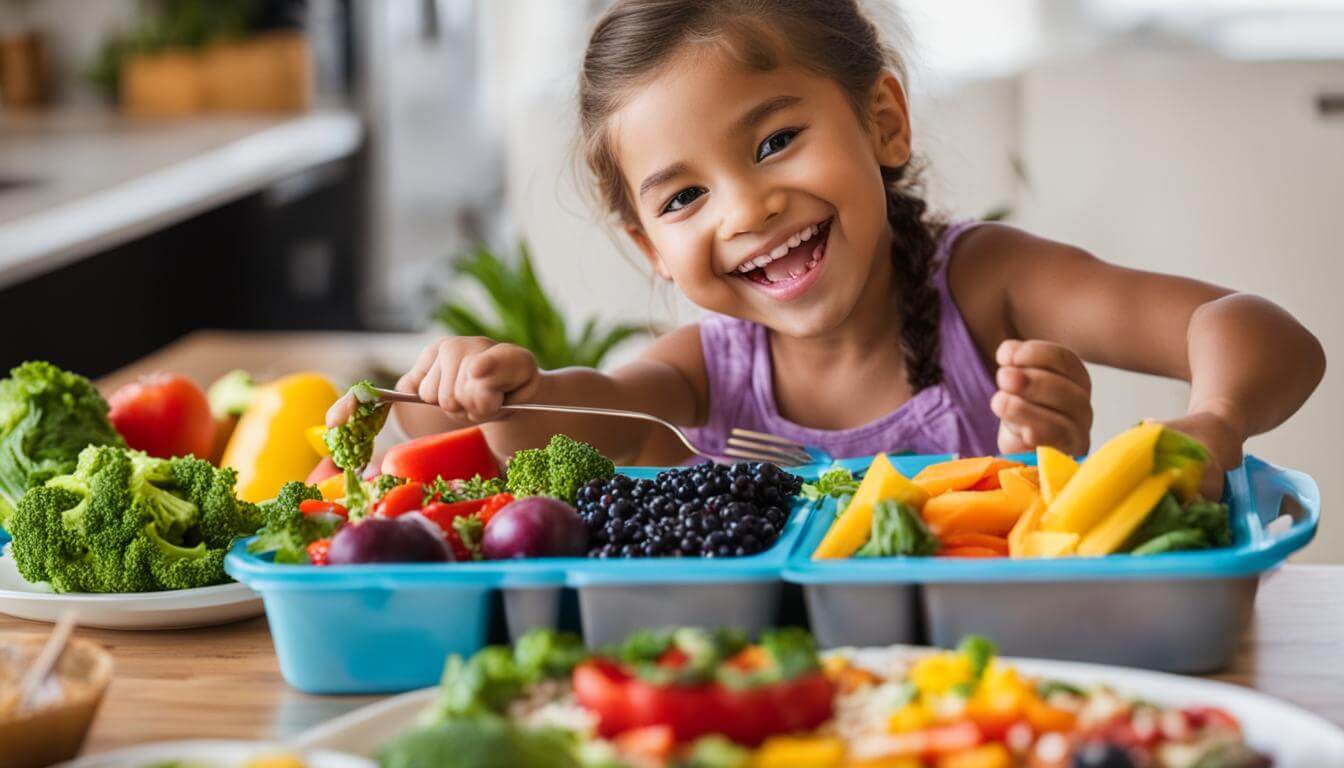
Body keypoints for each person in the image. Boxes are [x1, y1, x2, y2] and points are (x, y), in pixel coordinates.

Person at [332, 0, 1324, 496]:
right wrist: (474, 395)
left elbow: (1253, 331)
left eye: (775, 141)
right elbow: (578, 425)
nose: (748, 207)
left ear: (883, 121)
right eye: (685, 196)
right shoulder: (700, 375)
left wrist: (1217, 421)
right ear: (649, 249)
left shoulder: (989, 288)